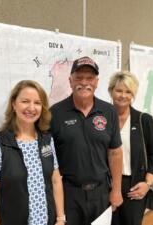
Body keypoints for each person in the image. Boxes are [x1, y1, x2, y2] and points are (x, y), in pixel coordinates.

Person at [0, 80, 65, 225]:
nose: (31, 108)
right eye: (25, 101)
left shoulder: (47, 140)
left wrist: (60, 219)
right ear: (14, 104)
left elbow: (56, 181)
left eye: (37, 103)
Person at [50, 56, 123, 225]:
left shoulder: (109, 111)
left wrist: (117, 190)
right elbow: (49, 159)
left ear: (97, 82)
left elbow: (115, 153)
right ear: (70, 81)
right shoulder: (55, 114)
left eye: (89, 78)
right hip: (69, 194)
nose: (84, 82)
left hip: (101, 192)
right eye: (79, 78)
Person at [108, 71, 153, 225]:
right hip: (107, 186)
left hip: (134, 186)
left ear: (133, 95)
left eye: (128, 91)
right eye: (119, 90)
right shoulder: (102, 120)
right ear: (111, 91)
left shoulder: (144, 120)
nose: (123, 95)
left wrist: (147, 183)